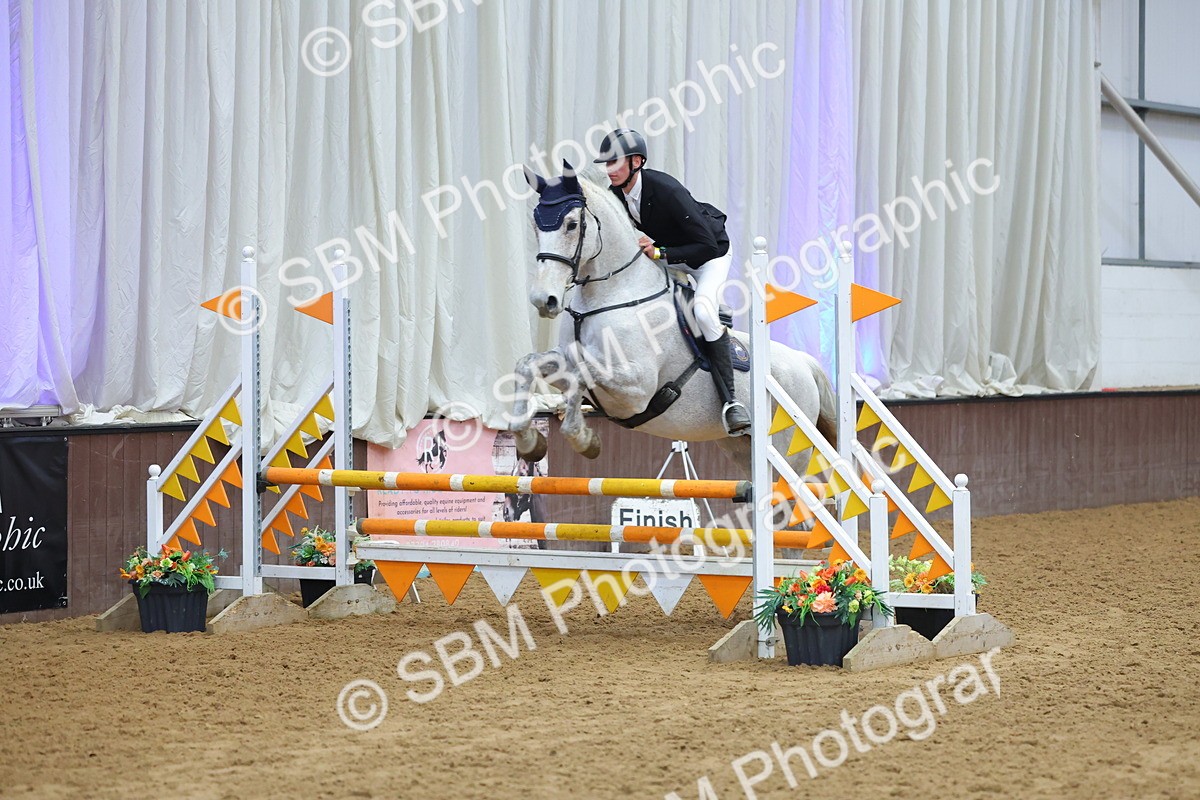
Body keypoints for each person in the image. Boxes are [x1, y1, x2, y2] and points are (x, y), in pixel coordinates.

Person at [593, 128, 750, 434]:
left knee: (703, 312)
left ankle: (731, 401)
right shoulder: (616, 196)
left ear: (636, 161)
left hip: (709, 257)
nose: (609, 170)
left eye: (616, 163)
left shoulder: (666, 189)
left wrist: (659, 251)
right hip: (673, 258)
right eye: (606, 164)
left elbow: (705, 246)